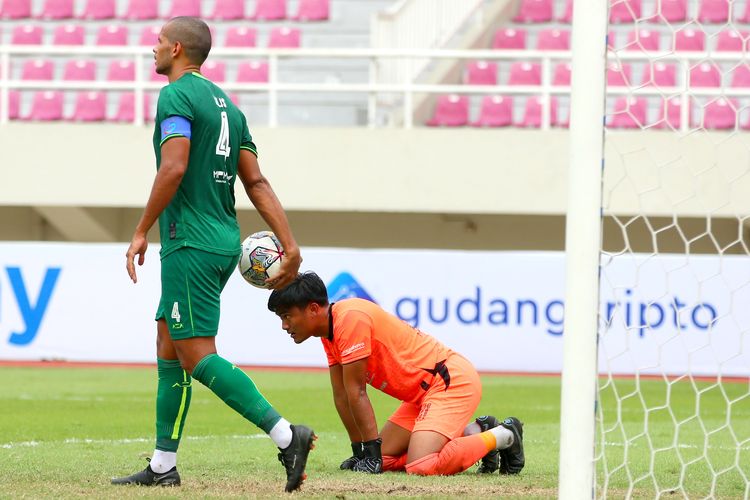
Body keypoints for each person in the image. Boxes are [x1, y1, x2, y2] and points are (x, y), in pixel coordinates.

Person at [112, 17, 315, 493]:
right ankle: (163, 464)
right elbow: (256, 182)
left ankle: (287, 436)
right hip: (224, 239)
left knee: (197, 353)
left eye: (159, 42)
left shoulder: (175, 95)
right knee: (169, 345)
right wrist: (290, 243)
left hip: (191, 241)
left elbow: (174, 166)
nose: (153, 48)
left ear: (177, 48)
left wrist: (142, 230)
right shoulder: (228, 106)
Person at [267, 272, 524, 476]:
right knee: (386, 459)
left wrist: (370, 450)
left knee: (421, 465)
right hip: (422, 395)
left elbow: (357, 392)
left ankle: (504, 435)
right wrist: (361, 452)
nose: (284, 325)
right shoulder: (329, 332)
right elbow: (342, 395)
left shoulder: (350, 319)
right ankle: (475, 432)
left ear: (313, 309)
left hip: (450, 382)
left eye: (287, 316)